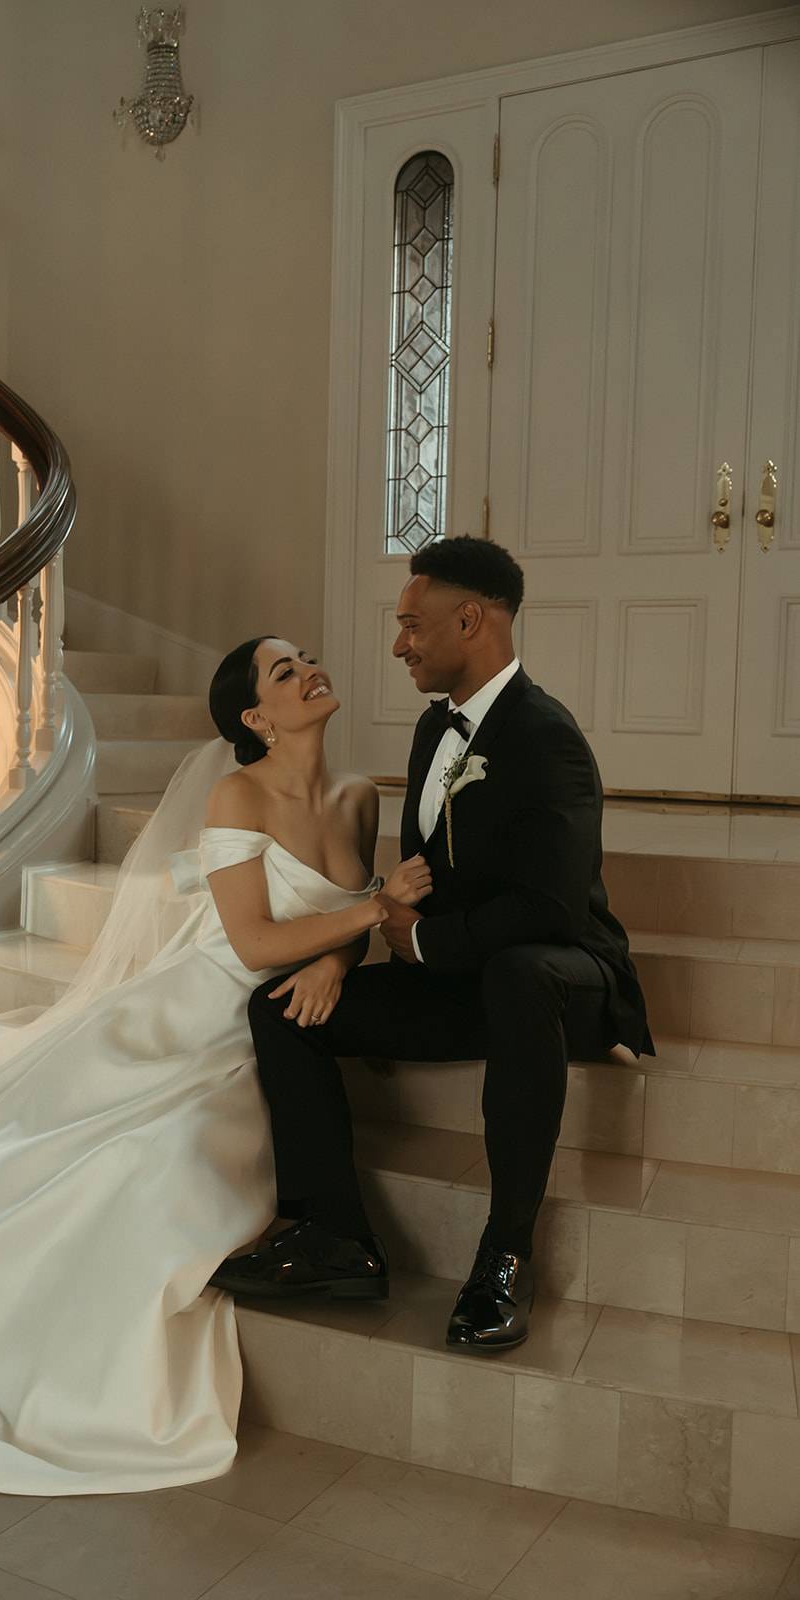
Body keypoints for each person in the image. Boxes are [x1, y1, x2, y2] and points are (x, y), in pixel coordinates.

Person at [0, 634, 405, 1495]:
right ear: (254, 717)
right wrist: (366, 918)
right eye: (284, 671)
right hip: (202, 1003)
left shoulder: (358, 796)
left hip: (276, 1017)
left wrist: (336, 963)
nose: (311, 668)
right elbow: (253, 940)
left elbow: (339, 924)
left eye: (309, 656)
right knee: (87, 1154)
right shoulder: (236, 796)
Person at [211, 536, 655, 1352]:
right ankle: (337, 1236)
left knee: (523, 975)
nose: (397, 645)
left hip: (563, 976)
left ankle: (504, 1257)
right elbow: (419, 877)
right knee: (279, 1010)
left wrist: (423, 943)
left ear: (470, 620)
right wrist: (354, 953)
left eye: (412, 625)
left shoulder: (548, 739)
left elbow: (552, 908)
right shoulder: (431, 732)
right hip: (461, 978)